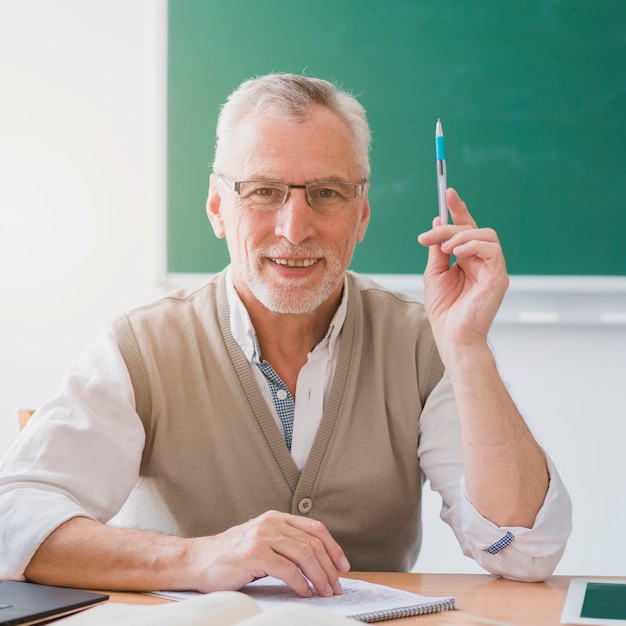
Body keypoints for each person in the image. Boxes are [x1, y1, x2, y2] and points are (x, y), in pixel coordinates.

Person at [0, 73, 571, 599]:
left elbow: (526, 552)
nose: (294, 229)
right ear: (218, 206)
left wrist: (467, 348)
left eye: (325, 193)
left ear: (362, 212)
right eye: (264, 191)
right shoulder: (140, 349)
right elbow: (11, 521)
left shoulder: (422, 344)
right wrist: (197, 557)